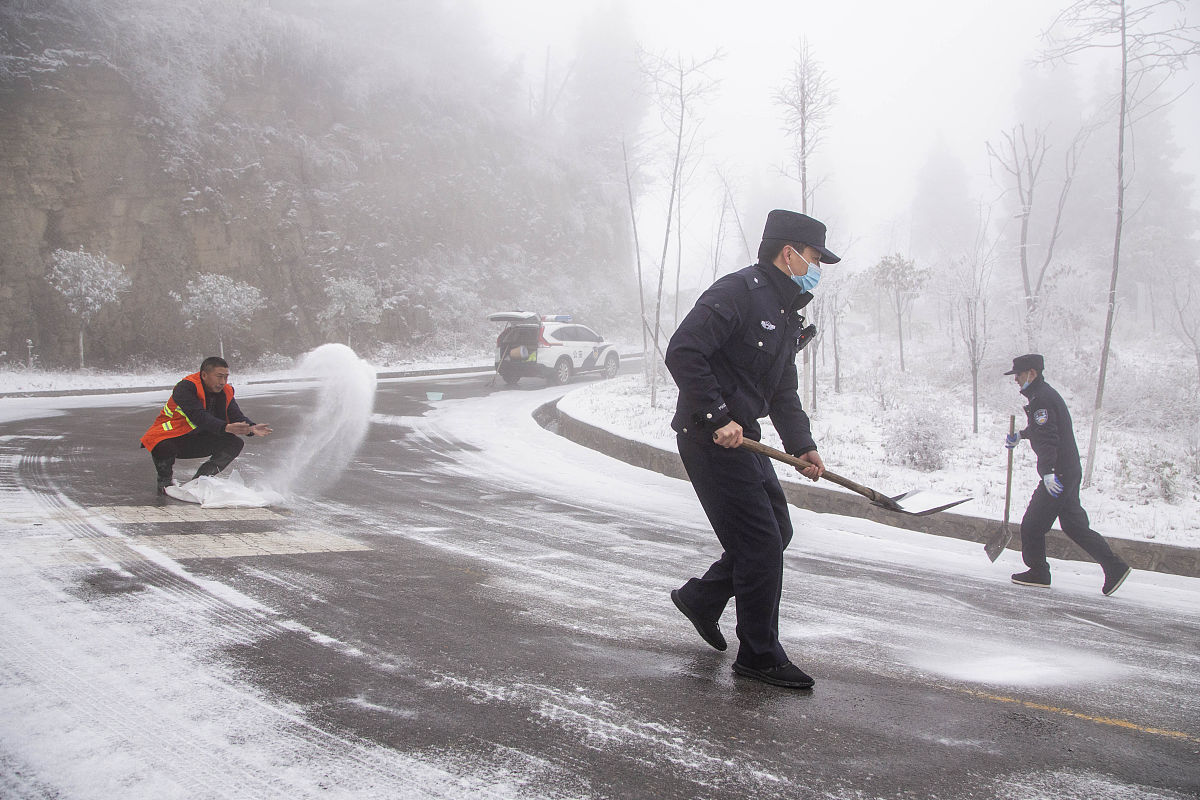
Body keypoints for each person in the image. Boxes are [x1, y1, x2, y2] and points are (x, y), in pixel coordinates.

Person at [664, 209, 837, 690]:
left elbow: (782, 390)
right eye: (815, 258)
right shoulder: (737, 292)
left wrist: (803, 445)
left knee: (777, 531)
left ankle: (702, 599)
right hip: (710, 437)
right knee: (760, 543)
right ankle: (759, 654)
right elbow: (683, 351)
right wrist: (716, 416)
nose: (817, 268)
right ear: (789, 253)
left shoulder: (784, 311)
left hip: (745, 437)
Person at [1003, 353, 1131, 596]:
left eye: (1018, 374)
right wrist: (1022, 435)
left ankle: (1039, 572)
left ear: (1032, 373)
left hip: (1059, 474)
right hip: (1069, 470)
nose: (1015, 379)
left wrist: (1048, 473)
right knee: (1074, 526)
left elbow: (1049, 438)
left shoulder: (1041, 399)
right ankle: (1114, 567)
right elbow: (1043, 428)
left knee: (1032, 525)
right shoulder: (1043, 395)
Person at [140, 356, 273, 494]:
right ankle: (165, 482)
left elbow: (236, 415)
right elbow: (198, 415)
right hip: (172, 437)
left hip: (198, 439)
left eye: (226, 377)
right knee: (162, 446)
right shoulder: (186, 388)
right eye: (219, 377)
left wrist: (251, 427)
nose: (223, 382)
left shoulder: (226, 391)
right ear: (204, 375)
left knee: (234, 443)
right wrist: (225, 427)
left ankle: (199, 481)